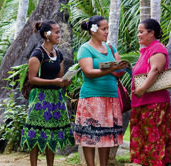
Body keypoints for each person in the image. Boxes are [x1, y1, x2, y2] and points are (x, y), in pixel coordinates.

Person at [73, 15, 129, 166]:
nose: (106, 32)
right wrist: (111, 68)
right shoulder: (85, 49)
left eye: (107, 29)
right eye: (103, 29)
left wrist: (120, 68)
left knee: (106, 135)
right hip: (92, 97)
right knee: (90, 134)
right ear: (93, 30)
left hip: (111, 97)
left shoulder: (110, 48)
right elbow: (88, 72)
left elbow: (119, 71)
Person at [20, 20, 74, 166]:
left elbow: (60, 75)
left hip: (56, 97)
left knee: (53, 133)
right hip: (40, 98)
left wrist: (64, 82)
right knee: (36, 132)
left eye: (59, 32)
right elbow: (32, 79)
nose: (59, 34)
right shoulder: (37, 54)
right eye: (57, 32)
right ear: (47, 34)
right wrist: (53, 82)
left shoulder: (59, 54)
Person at [130, 18, 171, 166]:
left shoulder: (157, 48)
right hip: (142, 102)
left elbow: (155, 70)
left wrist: (141, 89)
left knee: (154, 140)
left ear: (151, 33)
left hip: (154, 103)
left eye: (141, 32)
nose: (138, 35)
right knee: (144, 140)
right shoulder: (146, 51)